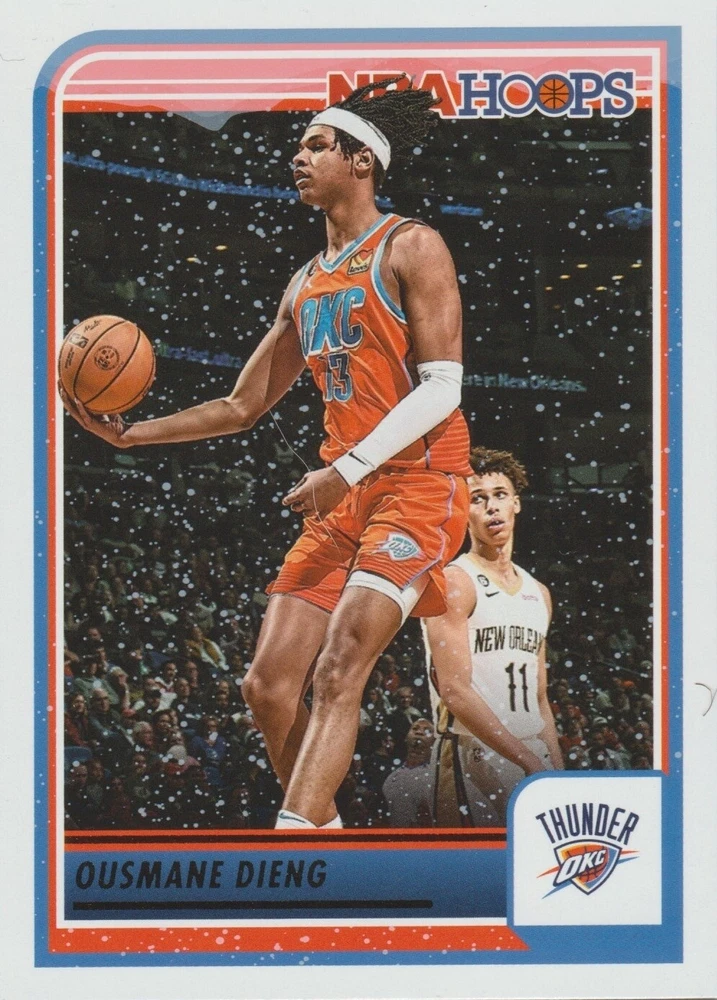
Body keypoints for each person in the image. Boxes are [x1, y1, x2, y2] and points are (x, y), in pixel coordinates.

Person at [61, 76, 472, 830]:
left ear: (362, 160)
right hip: (344, 494)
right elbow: (241, 405)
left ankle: (296, 847)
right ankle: (328, 836)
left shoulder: (412, 245)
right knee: (268, 687)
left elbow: (443, 385)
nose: (297, 157)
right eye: (299, 146)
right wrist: (130, 434)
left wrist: (345, 468)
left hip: (418, 483)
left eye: (316, 145)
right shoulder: (304, 283)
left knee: (339, 666)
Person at [423, 447, 564, 826]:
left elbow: (540, 698)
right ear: (462, 509)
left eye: (500, 495)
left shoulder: (539, 593)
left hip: (532, 754)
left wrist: (556, 770)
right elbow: (455, 691)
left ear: (516, 503)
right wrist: (526, 760)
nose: (491, 507)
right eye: (478, 498)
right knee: (475, 863)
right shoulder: (456, 581)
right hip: (471, 752)